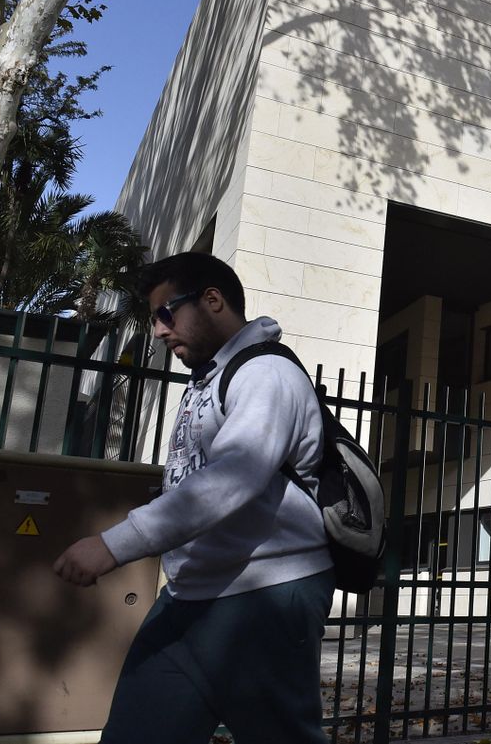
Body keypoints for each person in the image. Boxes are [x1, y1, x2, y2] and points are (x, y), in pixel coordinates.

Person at [53, 252, 333, 743]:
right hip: (188, 596)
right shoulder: (206, 378)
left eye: (166, 313)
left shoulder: (266, 374)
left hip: (262, 595)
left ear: (212, 300)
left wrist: (114, 544)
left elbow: (233, 478)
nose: (160, 331)